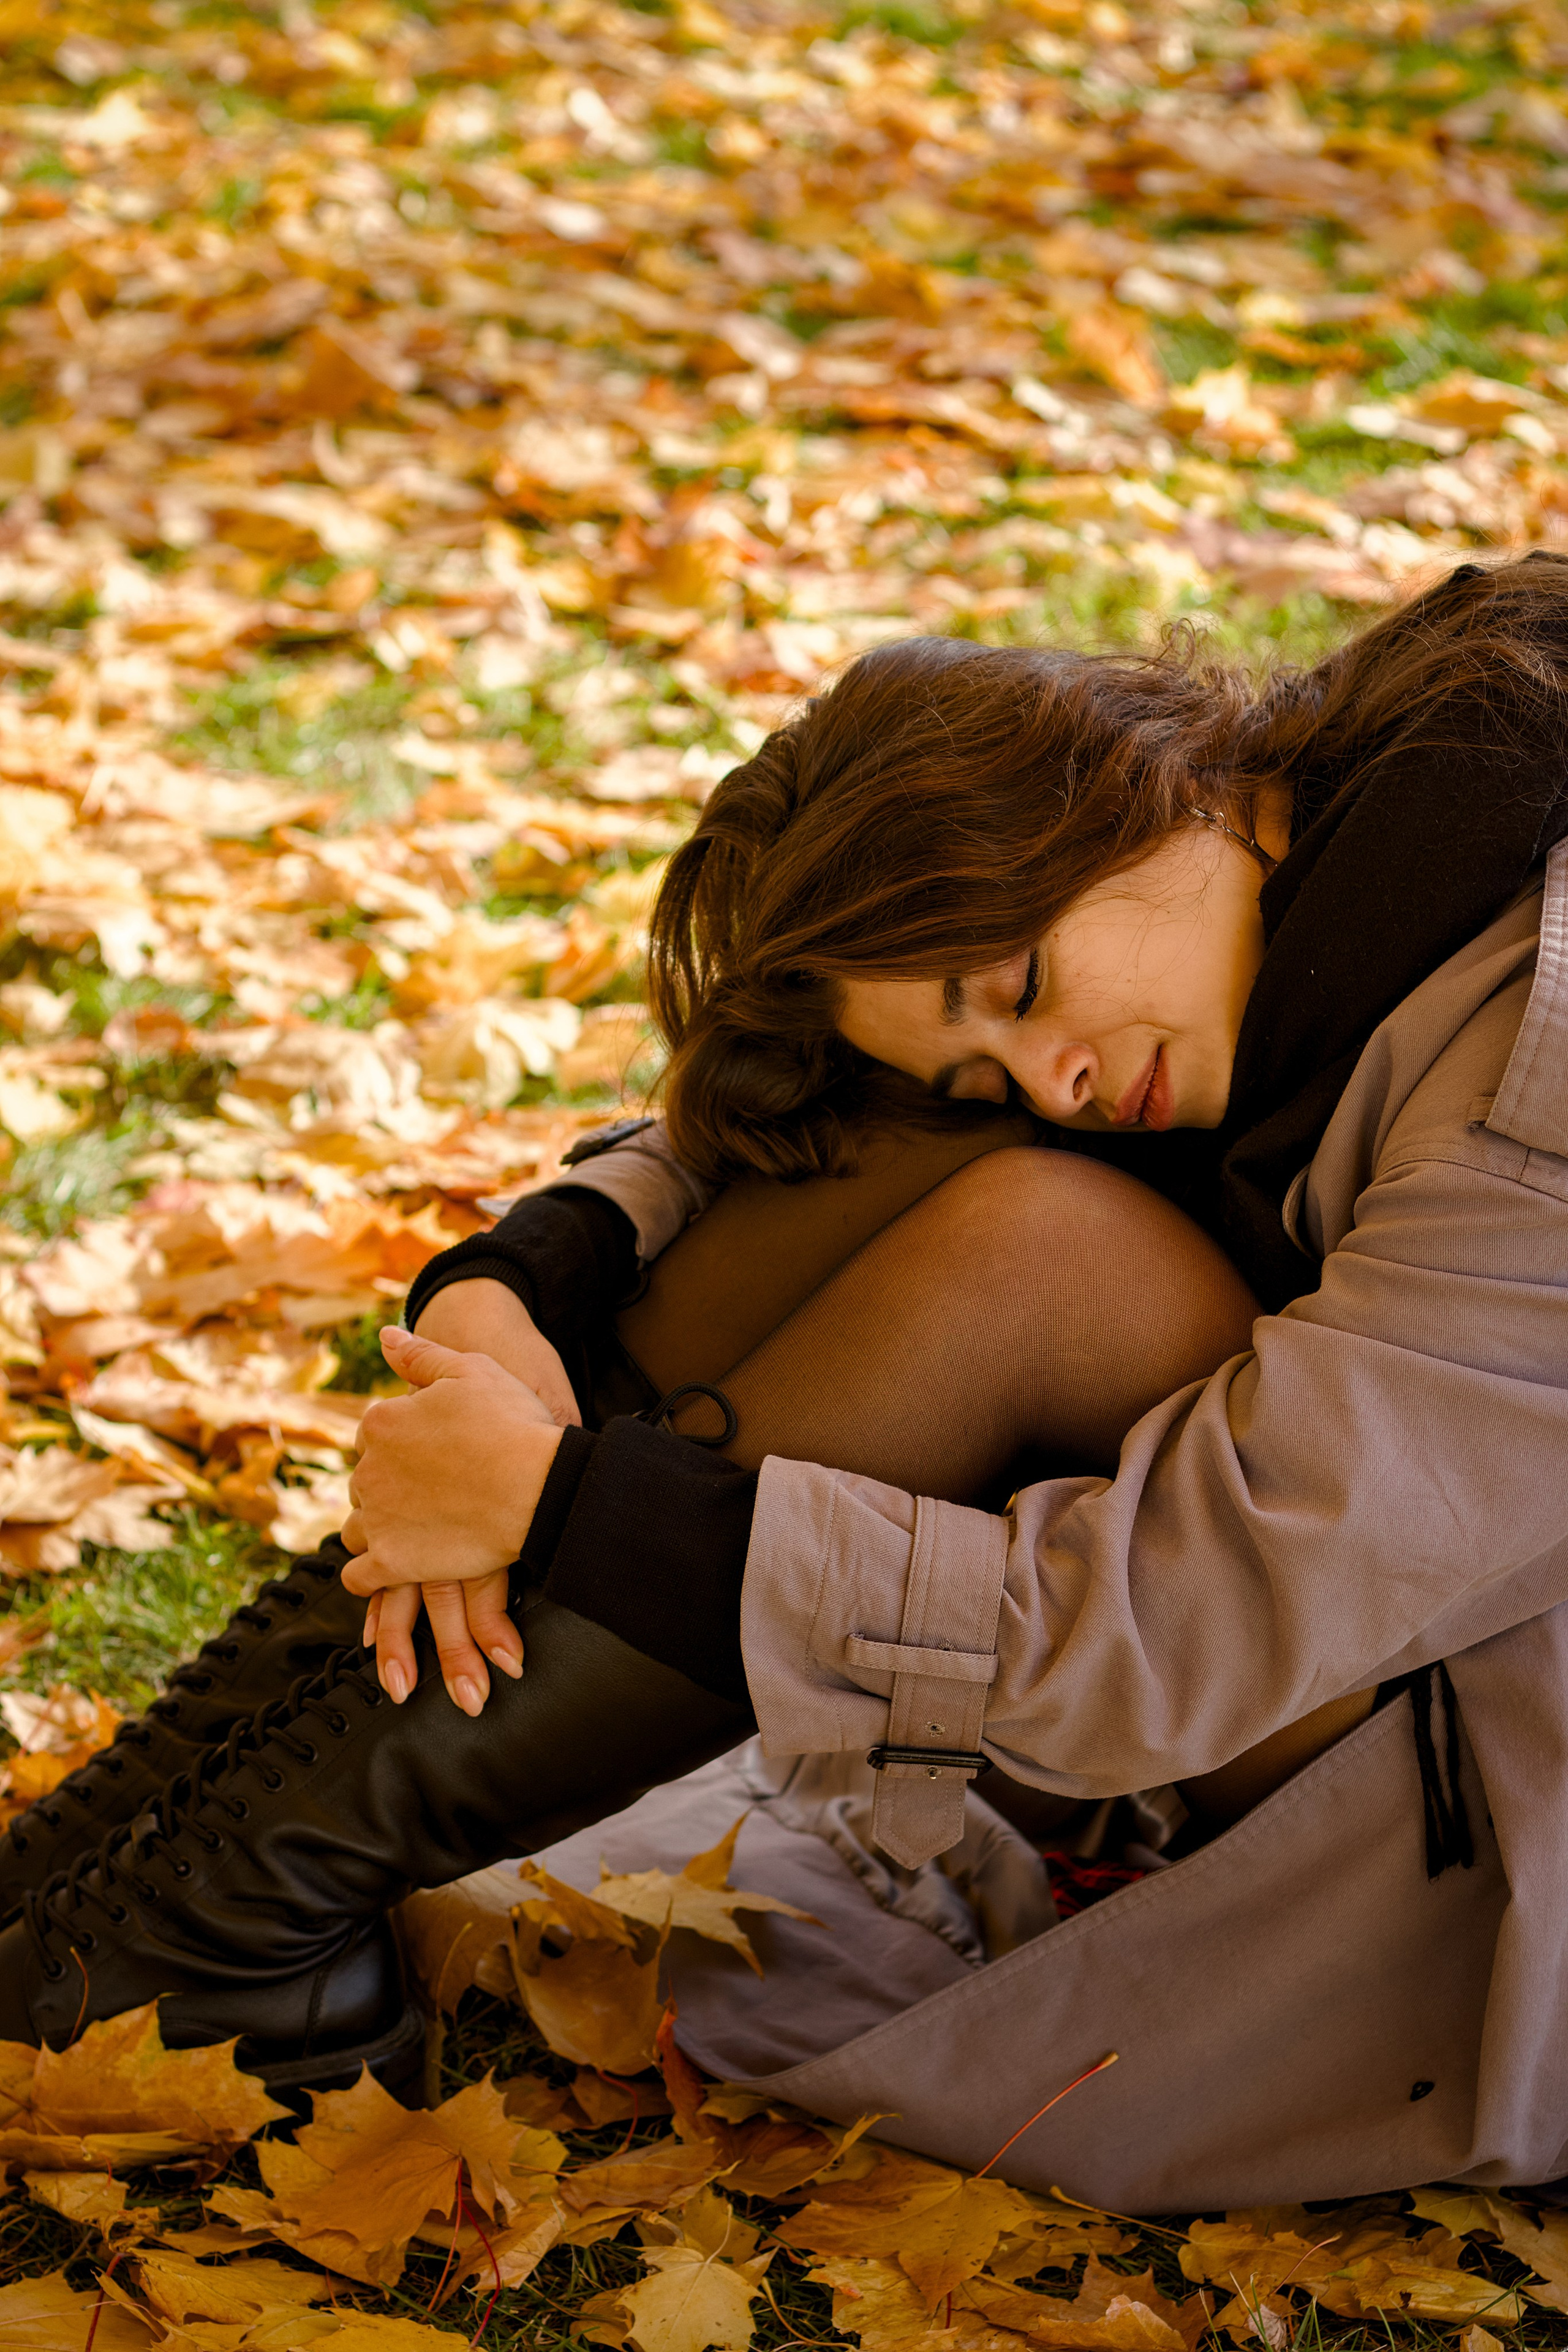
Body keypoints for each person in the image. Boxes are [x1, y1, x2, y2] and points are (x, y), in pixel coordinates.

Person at [4, 554, 1568, 2207]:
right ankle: (158, 1862)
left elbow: (1174, 1628)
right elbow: (812, 1118)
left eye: (1021, 992)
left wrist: (579, 1509)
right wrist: (517, 1288)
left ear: (1145, 776)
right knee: (936, 1151)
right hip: (1349, 1649)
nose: (1054, 1078)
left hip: (1482, 1806)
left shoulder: (1529, 1081)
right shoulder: (1311, 819)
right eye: (990, 1059)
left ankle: (236, 1911)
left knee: (1042, 1244)